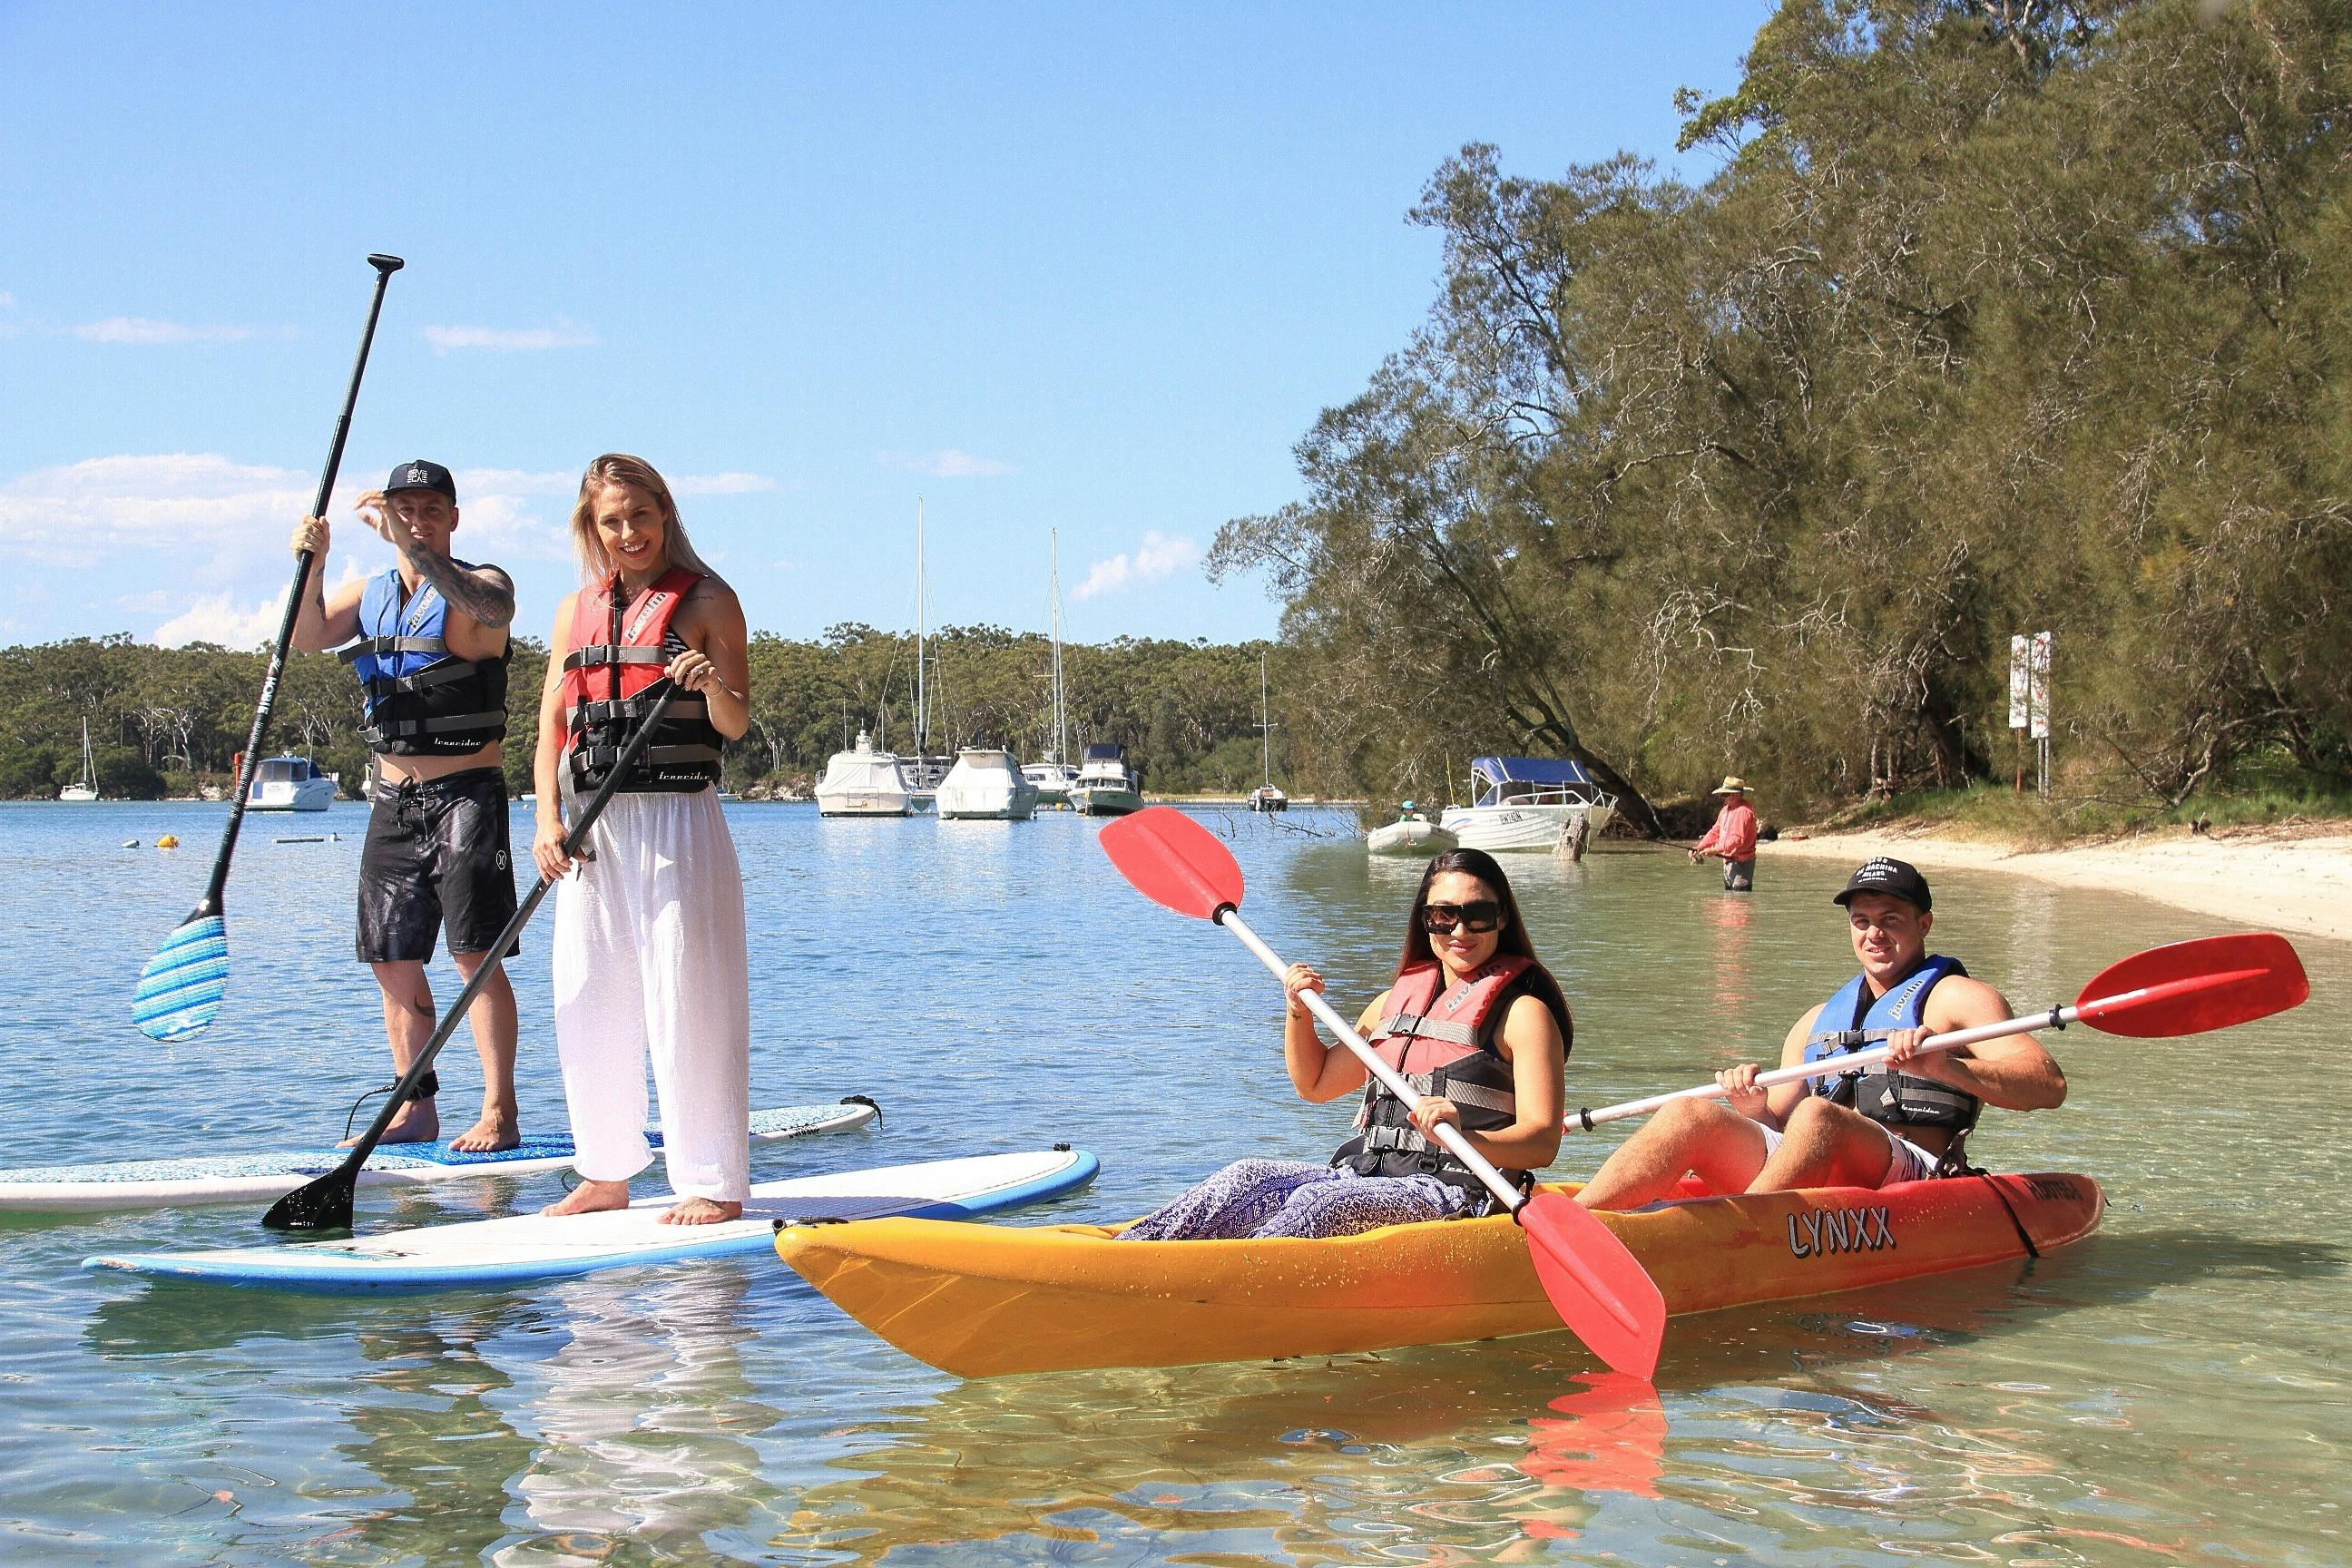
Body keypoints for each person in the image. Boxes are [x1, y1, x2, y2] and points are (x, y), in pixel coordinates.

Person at [1120, 848, 1571, 1241]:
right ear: (1425, 919)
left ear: (1502, 918)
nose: (1459, 930)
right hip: (1366, 1174)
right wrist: (1297, 1010)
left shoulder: (1524, 1014)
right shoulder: (1388, 1007)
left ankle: (1225, 1281)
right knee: (1243, 1179)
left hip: (1458, 1192)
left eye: (1478, 915)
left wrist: (1466, 1137)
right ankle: (1128, 1256)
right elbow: (1315, 1084)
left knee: (1319, 1206)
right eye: (1443, 915)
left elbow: (1542, 1143)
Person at [1576, 857, 2066, 1210]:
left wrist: (1945, 1066)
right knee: (1688, 1114)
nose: (1875, 933)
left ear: (1925, 923)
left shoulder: (1958, 997)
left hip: (1917, 1170)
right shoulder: (1816, 1021)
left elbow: (2046, 1085)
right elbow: (1778, 1124)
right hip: (1821, 1170)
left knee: (1818, 1115)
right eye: (1862, 921)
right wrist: (1752, 1108)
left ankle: (1735, 1232)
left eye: (1891, 920)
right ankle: (1568, 1229)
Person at [531, 454, 752, 1225]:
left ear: (666, 514)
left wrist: (707, 682)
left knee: (688, 994)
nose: (629, 533)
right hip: (593, 824)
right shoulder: (573, 610)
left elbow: (734, 723)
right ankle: (606, 1170)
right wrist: (546, 820)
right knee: (587, 994)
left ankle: (712, 1180)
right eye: (611, 521)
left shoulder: (710, 600)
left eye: (641, 516)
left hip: (676, 819)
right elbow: (553, 724)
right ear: (592, 528)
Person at [289, 460, 521, 1152]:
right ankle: (415, 1105)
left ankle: (499, 1109)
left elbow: (495, 613)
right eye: (403, 509)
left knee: (474, 954)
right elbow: (305, 633)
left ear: (453, 516)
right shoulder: (372, 593)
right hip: (393, 798)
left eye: (430, 509)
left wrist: (415, 547)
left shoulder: (484, 584)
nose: (416, 520)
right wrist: (314, 563)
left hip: (467, 797)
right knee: (391, 957)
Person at [1690, 776, 1759, 890]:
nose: (1722, 798)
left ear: (1736, 795)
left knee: (1740, 899)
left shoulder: (1743, 812)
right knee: (1729, 901)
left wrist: (1715, 850)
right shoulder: (1724, 811)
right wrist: (1699, 847)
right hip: (1728, 862)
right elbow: (1715, 831)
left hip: (1742, 863)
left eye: (1725, 795)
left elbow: (1737, 840)